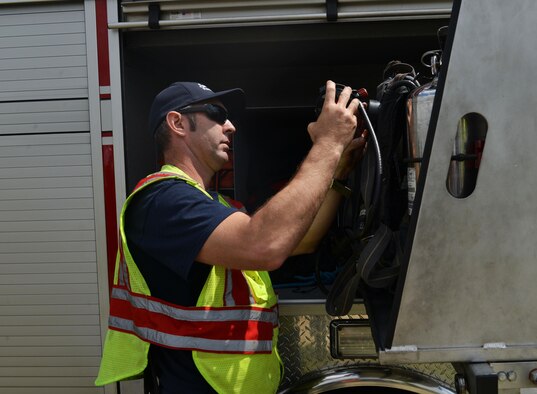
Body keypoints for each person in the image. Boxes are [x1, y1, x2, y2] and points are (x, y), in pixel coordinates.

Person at [95, 80, 365, 393]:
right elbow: (266, 246)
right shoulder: (163, 200)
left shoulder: (218, 205)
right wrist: (328, 144)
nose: (231, 126)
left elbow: (300, 240)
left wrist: (339, 170)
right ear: (177, 123)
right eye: (217, 114)